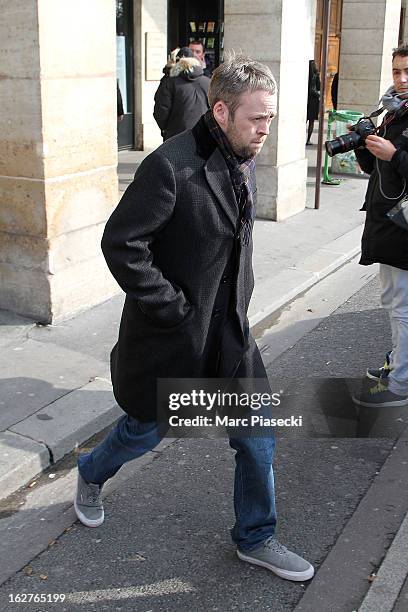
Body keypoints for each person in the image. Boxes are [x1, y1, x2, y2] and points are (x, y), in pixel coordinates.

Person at [74, 54, 314, 582]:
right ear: (222, 111)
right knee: (144, 431)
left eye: (270, 118)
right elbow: (122, 243)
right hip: (176, 339)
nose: (266, 130)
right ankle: (90, 472)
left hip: (230, 335)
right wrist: (172, 307)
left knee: (258, 436)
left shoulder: (243, 154)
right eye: (258, 119)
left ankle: (256, 535)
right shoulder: (171, 166)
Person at [352, 44, 408, 408]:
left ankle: (401, 383)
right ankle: (398, 363)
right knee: (395, 302)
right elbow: (375, 171)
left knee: (402, 306)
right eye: (396, 72)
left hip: (402, 229)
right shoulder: (393, 113)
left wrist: (396, 154)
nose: (401, 80)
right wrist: (364, 143)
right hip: (389, 225)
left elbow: (394, 162)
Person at [153, 47, 210, 141]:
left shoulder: (169, 82)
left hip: (176, 136)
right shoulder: (207, 82)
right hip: (203, 135)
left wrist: (166, 130)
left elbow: (161, 110)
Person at [306, 60, 320, 145]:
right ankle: (308, 140)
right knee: (311, 122)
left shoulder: (305, 75)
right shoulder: (316, 75)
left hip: (306, 100)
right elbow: (318, 87)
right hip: (314, 100)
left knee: (303, 121)